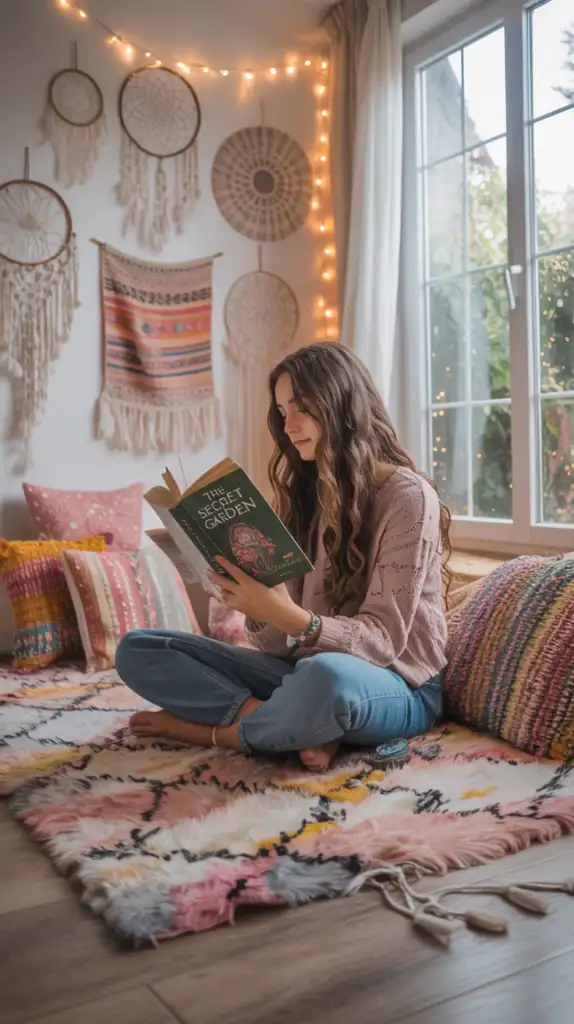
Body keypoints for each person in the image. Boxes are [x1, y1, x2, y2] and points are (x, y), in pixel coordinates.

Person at [116, 343, 450, 772]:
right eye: (281, 411)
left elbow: (383, 642)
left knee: (325, 679)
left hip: (398, 683)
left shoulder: (407, 497)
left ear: (341, 403)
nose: (288, 425)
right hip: (303, 672)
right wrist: (254, 604)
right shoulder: (305, 496)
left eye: (301, 408)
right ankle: (286, 721)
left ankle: (222, 732)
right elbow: (278, 646)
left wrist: (292, 617)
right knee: (140, 649)